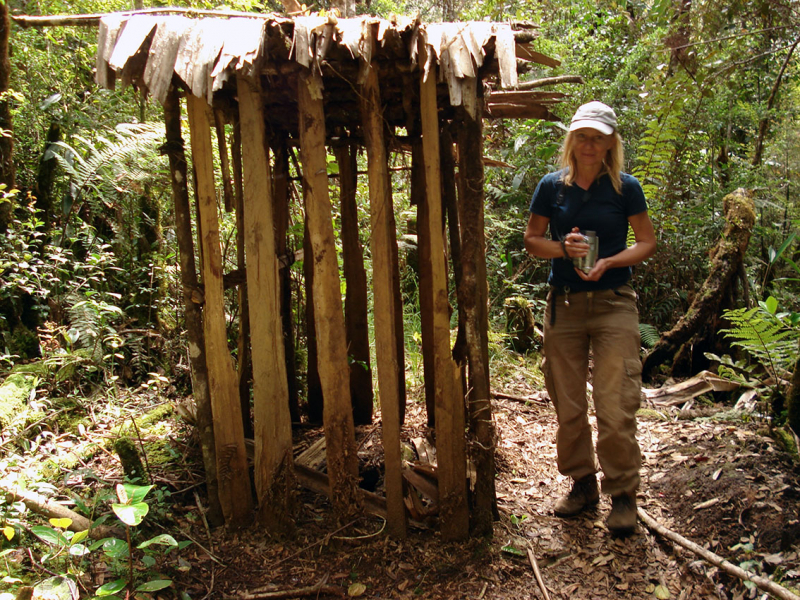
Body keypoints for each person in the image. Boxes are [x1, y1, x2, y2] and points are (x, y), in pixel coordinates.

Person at [523, 101, 657, 535]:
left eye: (597, 137)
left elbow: (647, 243)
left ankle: (623, 494)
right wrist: (565, 249)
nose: (589, 144)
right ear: (572, 139)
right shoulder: (551, 187)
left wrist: (609, 262)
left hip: (614, 301)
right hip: (563, 304)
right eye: (582, 135)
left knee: (615, 402)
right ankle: (582, 483)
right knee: (568, 403)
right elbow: (532, 240)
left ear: (610, 143)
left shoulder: (625, 188)